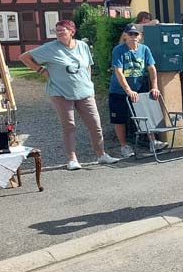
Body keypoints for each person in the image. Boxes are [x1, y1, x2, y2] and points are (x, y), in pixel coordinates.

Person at [20, 20, 120, 170]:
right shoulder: (50, 48)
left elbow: (88, 66)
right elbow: (24, 57)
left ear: (72, 32)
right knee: (69, 126)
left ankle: (101, 155)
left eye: (63, 30)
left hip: (84, 92)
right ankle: (72, 159)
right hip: (60, 92)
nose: (59, 33)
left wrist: (89, 84)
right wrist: (41, 71)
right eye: (57, 31)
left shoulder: (83, 46)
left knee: (95, 124)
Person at [109, 23, 166, 158]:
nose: (133, 37)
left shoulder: (144, 49)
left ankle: (153, 142)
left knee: (145, 114)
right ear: (125, 36)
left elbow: (151, 68)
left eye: (136, 34)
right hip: (118, 90)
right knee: (119, 119)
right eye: (130, 34)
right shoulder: (118, 50)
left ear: (140, 36)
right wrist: (128, 90)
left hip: (138, 88)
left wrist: (155, 86)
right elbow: (118, 71)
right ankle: (124, 146)